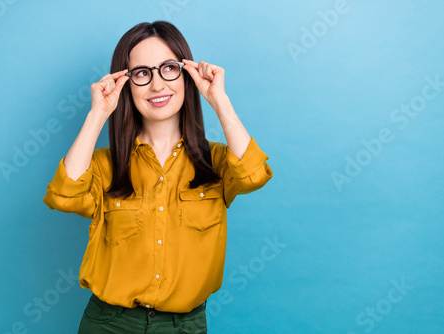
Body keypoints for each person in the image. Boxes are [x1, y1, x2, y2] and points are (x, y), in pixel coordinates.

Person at [42, 20, 273, 334]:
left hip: (183, 326)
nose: (157, 85)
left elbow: (254, 175)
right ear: (127, 83)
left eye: (168, 68)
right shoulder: (104, 165)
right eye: (142, 73)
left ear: (186, 74)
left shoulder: (217, 162)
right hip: (108, 324)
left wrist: (219, 100)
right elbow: (64, 196)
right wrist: (98, 114)